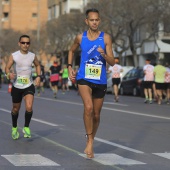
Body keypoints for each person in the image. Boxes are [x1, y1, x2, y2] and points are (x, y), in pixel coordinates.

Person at [68, 8, 115, 159]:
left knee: (96, 114)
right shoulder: (80, 38)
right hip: (84, 77)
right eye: (92, 20)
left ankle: (91, 138)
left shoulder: (106, 38)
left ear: (99, 21)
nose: (95, 22)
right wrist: (69, 67)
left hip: (100, 79)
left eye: (97, 20)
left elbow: (113, 62)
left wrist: (105, 55)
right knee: (88, 107)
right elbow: (71, 51)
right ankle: (90, 140)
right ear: (86, 21)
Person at [5, 34, 41, 140]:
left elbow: (38, 65)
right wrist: (9, 74)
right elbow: (7, 67)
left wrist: (38, 77)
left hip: (28, 85)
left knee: (29, 107)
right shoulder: (14, 55)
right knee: (16, 109)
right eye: (23, 43)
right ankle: (15, 127)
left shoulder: (32, 56)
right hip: (17, 86)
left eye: (27, 43)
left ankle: (26, 127)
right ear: (19, 43)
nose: (25, 45)